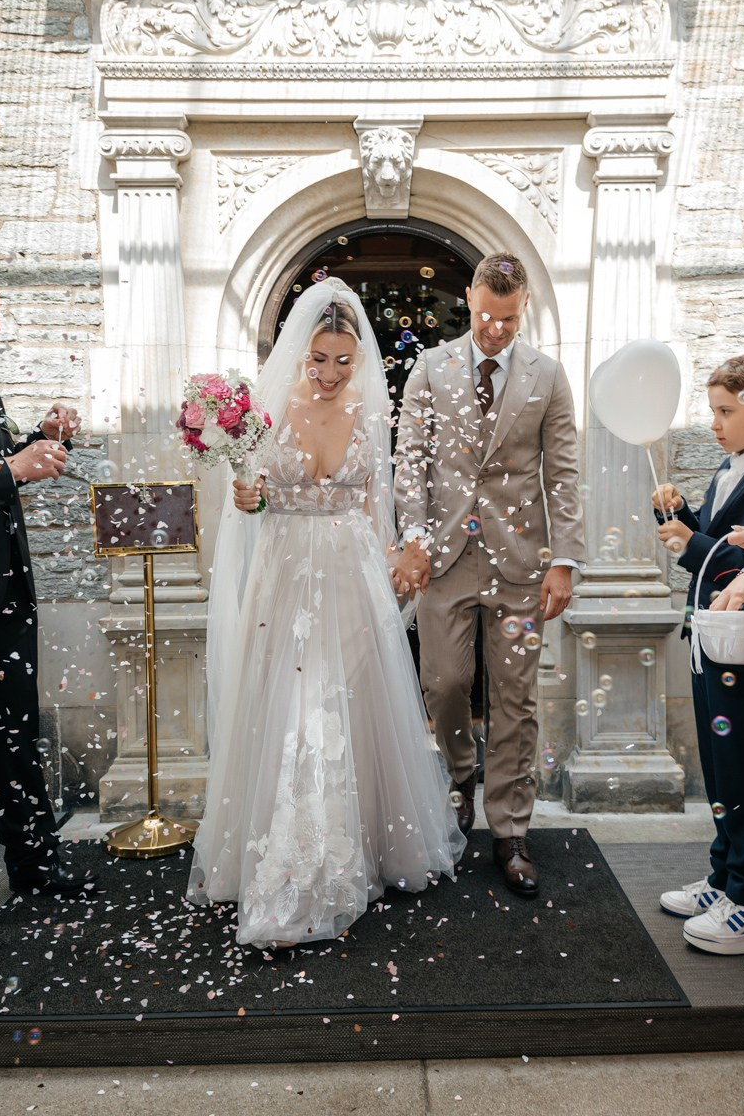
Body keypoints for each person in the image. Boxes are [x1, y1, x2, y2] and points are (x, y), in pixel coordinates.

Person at [186, 278, 465, 949]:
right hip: (284, 574)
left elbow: (375, 503)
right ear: (300, 352)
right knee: (292, 705)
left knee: (344, 707)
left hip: (350, 574)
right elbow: (251, 497)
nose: (332, 373)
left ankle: (352, 851)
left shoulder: (370, 412)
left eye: (344, 360)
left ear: (359, 357)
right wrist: (248, 494)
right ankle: (292, 870)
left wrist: (395, 561)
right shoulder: (264, 412)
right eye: (319, 359)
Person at [393, 253, 584, 897]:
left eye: (508, 319)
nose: (496, 329)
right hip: (443, 559)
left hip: (522, 562)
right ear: (469, 298)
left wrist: (564, 560)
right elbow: (410, 461)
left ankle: (510, 831)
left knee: (514, 699)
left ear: (523, 307)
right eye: (485, 316)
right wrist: (413, 541)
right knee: (444, 683)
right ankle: (458, 781)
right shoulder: (429, 367)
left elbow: (563, 472)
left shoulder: (548, 375)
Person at [0, 257, 97, 935]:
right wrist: (11, 467)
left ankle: (34, 863)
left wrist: (42, 442)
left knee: (15, 731)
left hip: (4, 592)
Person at [653, 351, 744, 954]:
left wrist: (691, 544)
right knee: (721, 770)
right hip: (713, 641)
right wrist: (677, 515)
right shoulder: (731, 465)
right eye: (713, 410)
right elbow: (719, 540)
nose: (715, 423)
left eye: (726, 411)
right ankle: (724, 879)